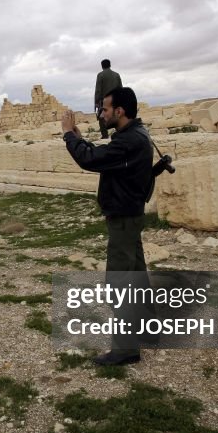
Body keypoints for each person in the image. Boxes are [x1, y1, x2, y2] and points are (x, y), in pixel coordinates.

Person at [62, 86, 153, 365]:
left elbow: (92, 160)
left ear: (119, 111)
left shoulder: (128, 141)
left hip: (124, 218)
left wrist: (68, 135)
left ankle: (126, 349)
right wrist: (81, 140)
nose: (101, 114)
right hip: (130, 214)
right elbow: (106, 156)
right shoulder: (134, 135)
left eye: (104, 109)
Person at [94, 59, 123, 139]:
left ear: (102, 66)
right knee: (118, 116)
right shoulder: (117, 75)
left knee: (101, 117)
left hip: (105, 101)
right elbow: (121, 88)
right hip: (116, 99)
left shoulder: (100, 75)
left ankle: (105, 135)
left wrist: (96, 102)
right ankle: (120, 133)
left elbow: (98, 90)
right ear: (110, 65)